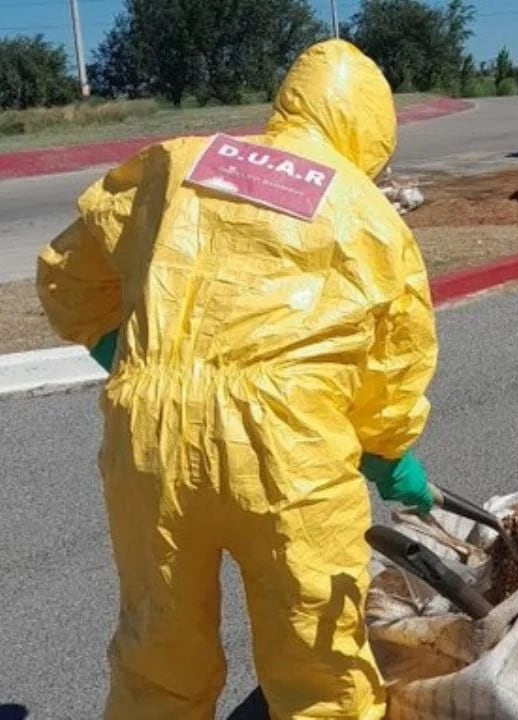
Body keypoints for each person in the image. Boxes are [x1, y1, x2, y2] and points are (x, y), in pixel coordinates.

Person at [35, 40, 439, 719]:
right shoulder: (367, 213)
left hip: (151, 439)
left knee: (158, 648)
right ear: (369, 131)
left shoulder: (180, 162)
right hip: (290, 455)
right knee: (319, 657)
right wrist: (391, 455)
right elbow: (394, 360)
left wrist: (130, 357)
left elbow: (64, 275)